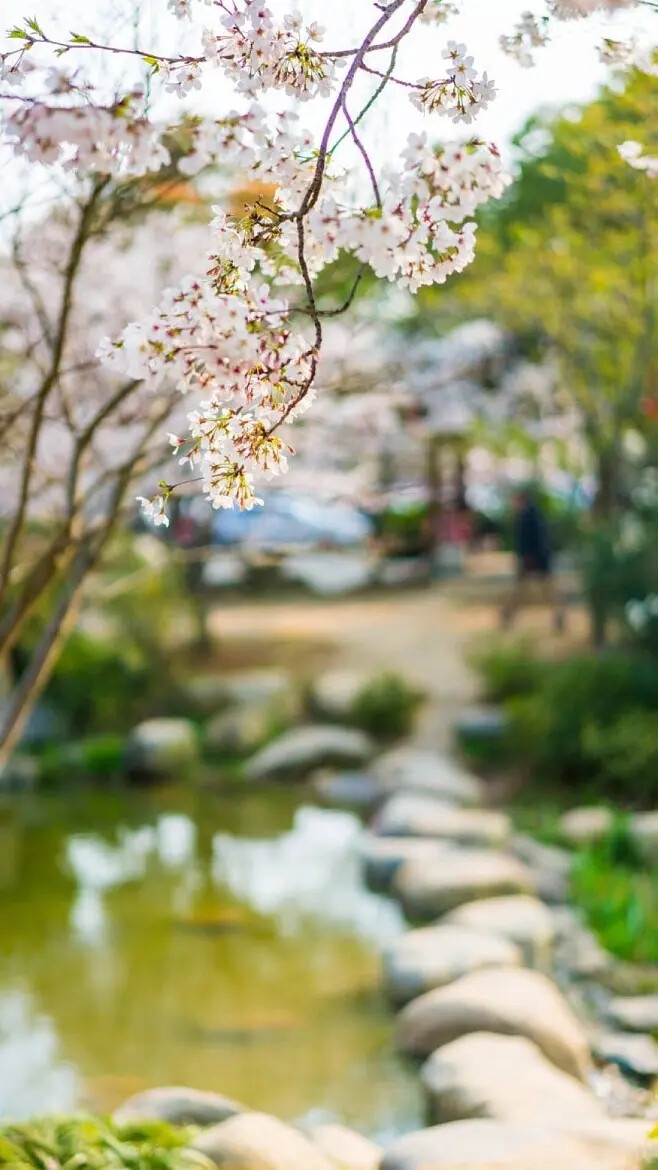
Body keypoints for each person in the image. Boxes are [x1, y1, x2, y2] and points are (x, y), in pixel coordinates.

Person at [501, 488, 565, 632]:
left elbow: (530, 540)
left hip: (533, 559)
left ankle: (508, 614)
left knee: (527, 589)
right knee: (541, 589)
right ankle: (508, 614)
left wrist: (528, 557)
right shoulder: (534, 515)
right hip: (538, 559)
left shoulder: (527, 517)